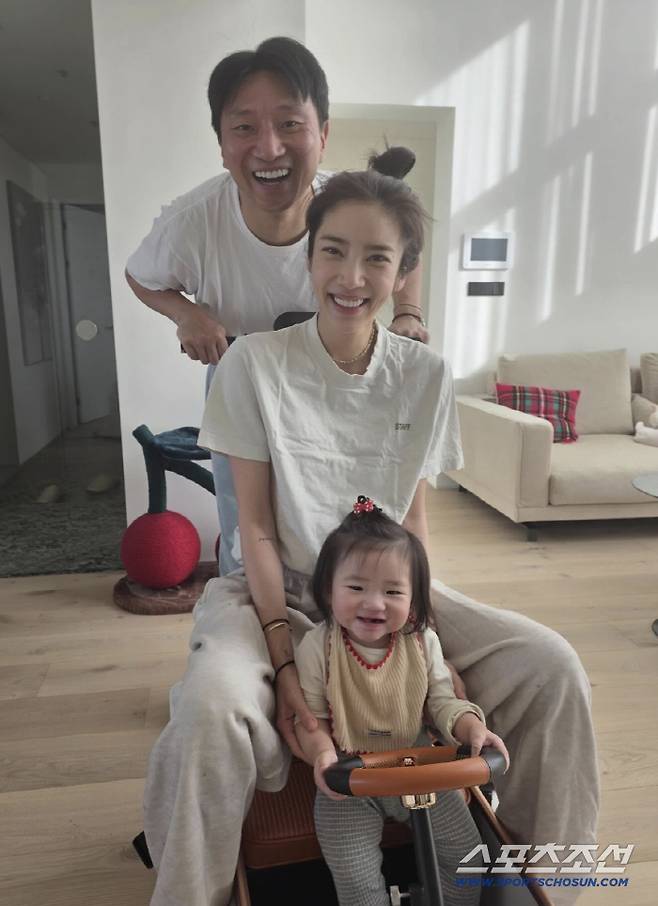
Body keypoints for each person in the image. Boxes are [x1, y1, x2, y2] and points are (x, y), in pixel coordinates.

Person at [142, 157, 598, 906]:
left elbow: (412, 523)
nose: (351, 277)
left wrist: (426, 634)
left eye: (377, 258)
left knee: (552, 665)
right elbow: (254, 529)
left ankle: (544, 881)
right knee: (209, 711)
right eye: (334, 251)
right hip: (277, 588)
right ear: (310, 256)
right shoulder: (254, 364)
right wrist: (287, 668)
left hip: (392, 592)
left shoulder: (423, 375)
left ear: (402, 272)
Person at [125, 36, 426, 576]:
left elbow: (402, 248)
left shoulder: (347, 205)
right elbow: (140, 276)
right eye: (244, 128)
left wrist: (409, 314)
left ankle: (347, 605)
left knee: (352, 515)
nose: (268, 148)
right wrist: (187, 314)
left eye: (289, 124)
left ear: (323, 134)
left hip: (339, 382)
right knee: (248, 526)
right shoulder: (192, 222)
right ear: (222, 144)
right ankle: (258, 609)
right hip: (241, 385)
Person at [295, 499, 510, 906]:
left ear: (414, 598)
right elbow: (313, 719)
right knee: (356, 879)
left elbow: (444, 703)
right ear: (328, 589)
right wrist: (321, 753)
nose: (374, 603)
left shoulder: (422, 642)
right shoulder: (317, 646)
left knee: (467, 860)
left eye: (393, 592)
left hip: (419, 767)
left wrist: (472, 728)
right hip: (350, 779)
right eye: (356, 588)